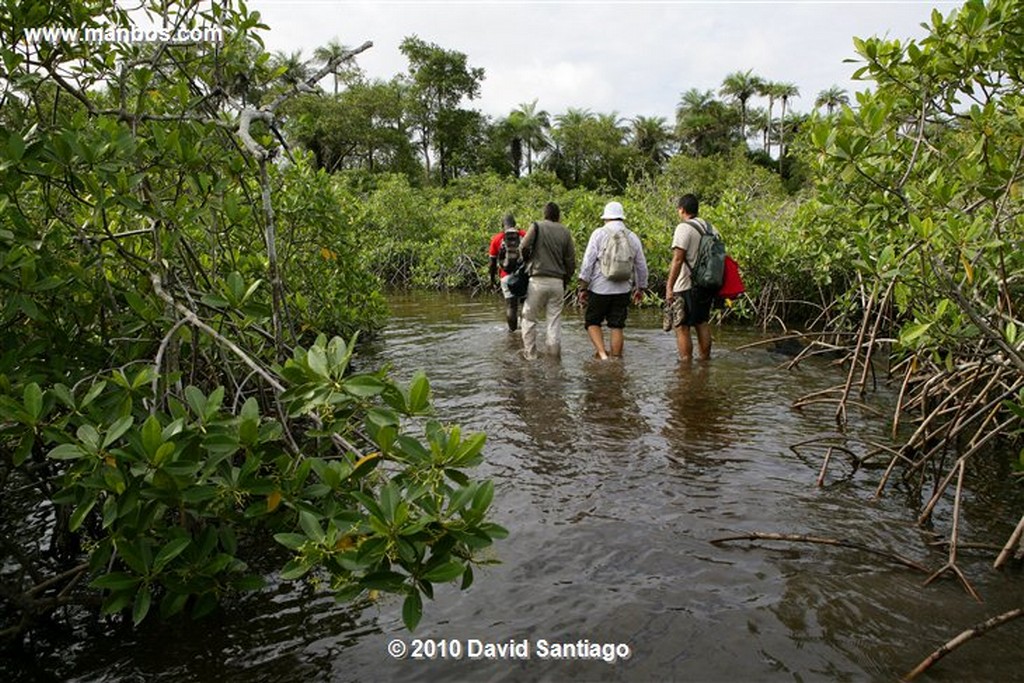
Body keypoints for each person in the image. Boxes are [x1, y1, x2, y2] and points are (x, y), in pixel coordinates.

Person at [576, 201, 649, 360]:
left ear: (606, 218)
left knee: (592, 322)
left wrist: (583, 287)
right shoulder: (632, 236)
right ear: (622, 218)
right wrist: (640, 288)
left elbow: (588, 262)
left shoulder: (599, 234)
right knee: (617, 325)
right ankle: (616, 360)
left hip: (599, 288)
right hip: (623, 289)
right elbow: (641, 265)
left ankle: (602, 355)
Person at [519, 202, 576, 360]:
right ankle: (553, 358)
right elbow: (571, 261)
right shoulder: (565, 231)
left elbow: (523, 246)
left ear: (544, 214)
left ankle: (530, 356)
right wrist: (567, 279)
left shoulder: (536, 226)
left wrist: (527, 260)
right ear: (558, 216)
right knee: (554, 322)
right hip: (557, 282)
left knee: (529, 318)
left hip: (537, 281)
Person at [665, 193, 716, 360]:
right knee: (702, 322)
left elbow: (678, 259)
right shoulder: (711, 228)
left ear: (682, 210)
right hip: (707, 284)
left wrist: (669, 287)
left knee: (682, 326)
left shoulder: (683, 228)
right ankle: (705, 361)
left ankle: (685, 364)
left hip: (686, 284)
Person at [488, 213, 527, 331]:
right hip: (523, 275)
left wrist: (492, 280)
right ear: (515, 224)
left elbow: (492, 263)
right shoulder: (523, 235)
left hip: (506, 277)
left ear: (502, 226)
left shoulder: (496, 239)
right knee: (525, 305)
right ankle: (525, 331)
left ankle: (513, 333)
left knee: (511, 306)